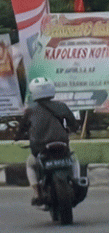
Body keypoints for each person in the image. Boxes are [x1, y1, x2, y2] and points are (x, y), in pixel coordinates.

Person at [15, 77, 80, 206]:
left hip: (41, 149)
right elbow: (74, 124)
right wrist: (70, 129)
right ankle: (77, 182)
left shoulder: (30, 110)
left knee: (30, 164)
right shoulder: (61, 106)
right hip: (62, 146)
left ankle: (37, 193)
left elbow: (22, 129)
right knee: (74, 159)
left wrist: (17, 137)